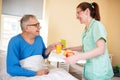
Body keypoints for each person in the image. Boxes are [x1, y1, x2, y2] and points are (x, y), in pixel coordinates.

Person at [65, 2, 114, 80]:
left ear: (87, 11)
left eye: (78, 13)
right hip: (89, 71)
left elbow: (101, 49)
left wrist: (76, 57)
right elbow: (86, 46)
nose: (76, 16)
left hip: (99, 72)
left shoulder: (97, 26)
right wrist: (70, 48)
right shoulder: (86, 29)